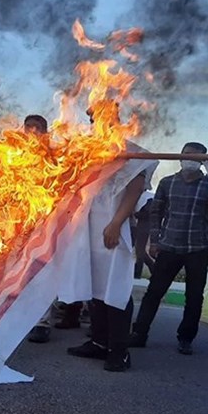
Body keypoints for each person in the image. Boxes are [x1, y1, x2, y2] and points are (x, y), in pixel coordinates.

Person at [67, 109, 158, 372]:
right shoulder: (88, 150)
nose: (100, 124)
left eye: (106, 119)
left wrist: (116, 222)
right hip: (86, 230)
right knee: (94, 289)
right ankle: (98, 342)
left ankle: (119, 351)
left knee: (115, 290)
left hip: (112, 228)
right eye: (95, 120)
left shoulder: (132, 151)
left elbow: (135, 188)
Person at [129, 142, 208, 355]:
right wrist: (154, 241)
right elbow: (156, 212)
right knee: (153, 292)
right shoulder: (167, 182)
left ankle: (186, 339)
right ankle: (139, 334)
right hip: (169, 246)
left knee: (194, 296)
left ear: (203, 160)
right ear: (180, 157)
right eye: (187, 154)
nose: (191, 159)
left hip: (198, 249)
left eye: (196, 156)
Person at [21, 114, 56, 344]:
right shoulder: (15, 154)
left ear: (44, 131)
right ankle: (22, 317)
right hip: (20, 222)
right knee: (21, 273)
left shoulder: (54, 157)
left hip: (47, 220)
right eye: (28, 128)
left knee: (43, 272)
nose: (32, 132)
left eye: (37, 128)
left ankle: (43, 322)